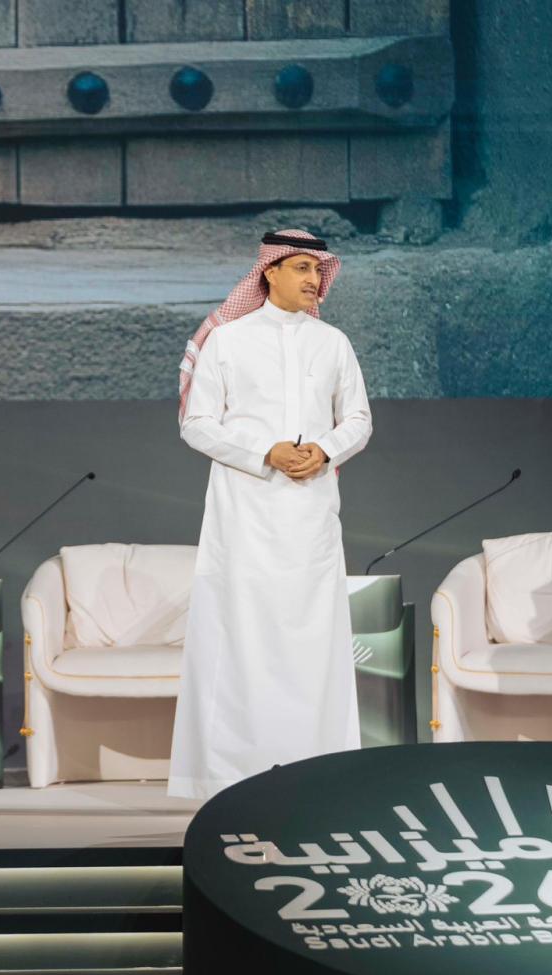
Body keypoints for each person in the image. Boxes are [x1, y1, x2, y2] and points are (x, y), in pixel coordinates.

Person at [167, 229, 373, 800]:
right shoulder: (227, 341)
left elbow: (358, 420)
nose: (313, 279)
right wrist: (265, 453)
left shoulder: (333, 342)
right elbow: (196, 424)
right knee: (243, 644)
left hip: (311, 519)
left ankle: (318, 777)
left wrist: (324, 450)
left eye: (318, 269)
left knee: (313, 647)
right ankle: (233, 781)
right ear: (270, 272)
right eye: (302, 267)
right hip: (244, 519)